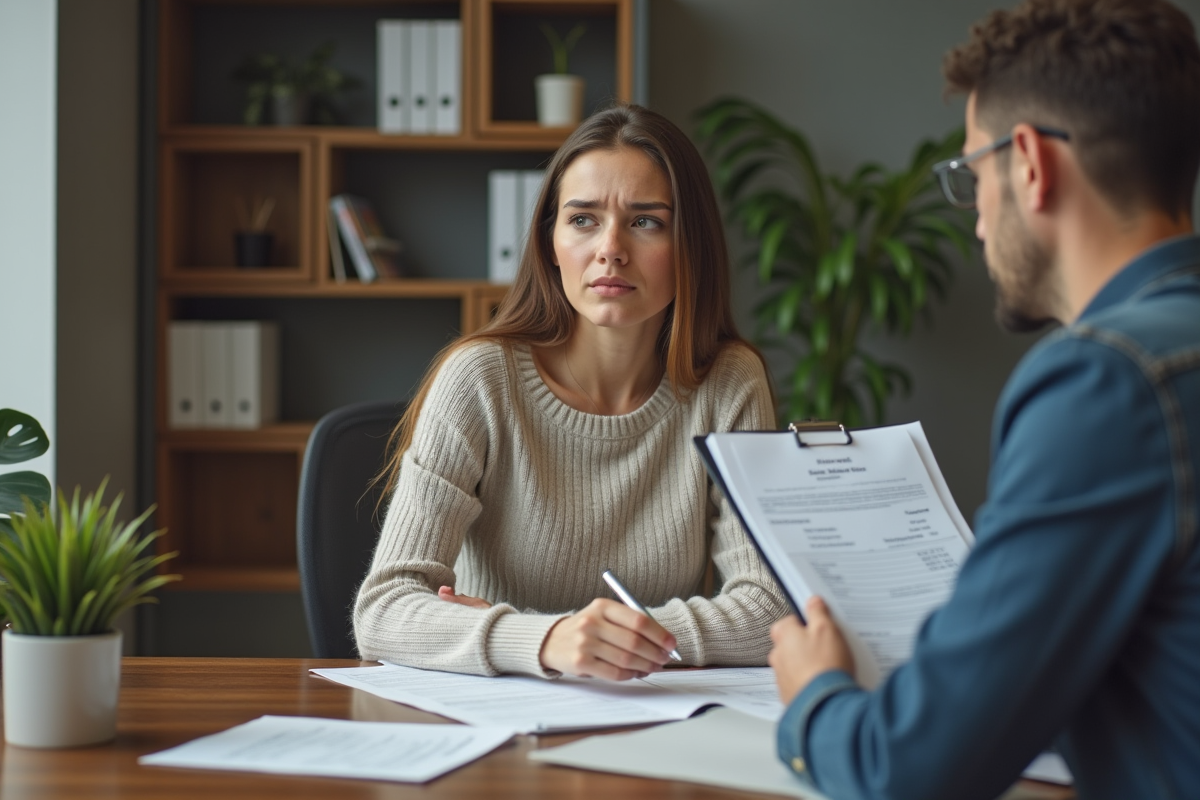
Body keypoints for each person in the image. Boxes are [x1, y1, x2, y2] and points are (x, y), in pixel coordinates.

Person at [768, 1, 1200, 798]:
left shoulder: (1106, 380)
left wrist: (815, 693)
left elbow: (905, 770)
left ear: (1030, 164)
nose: (972, 219)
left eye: (971, 174)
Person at [354, 104, 787, 681]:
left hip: (653, 718)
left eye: (646, 221)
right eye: (583, 220)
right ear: (550, 243)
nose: (611, 248)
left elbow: (769, 610)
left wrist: (598, 642)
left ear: (691, 246)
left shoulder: (728, 382)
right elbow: (382, 611)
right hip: (496, 720)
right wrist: (545, 641)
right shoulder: (480, 378)